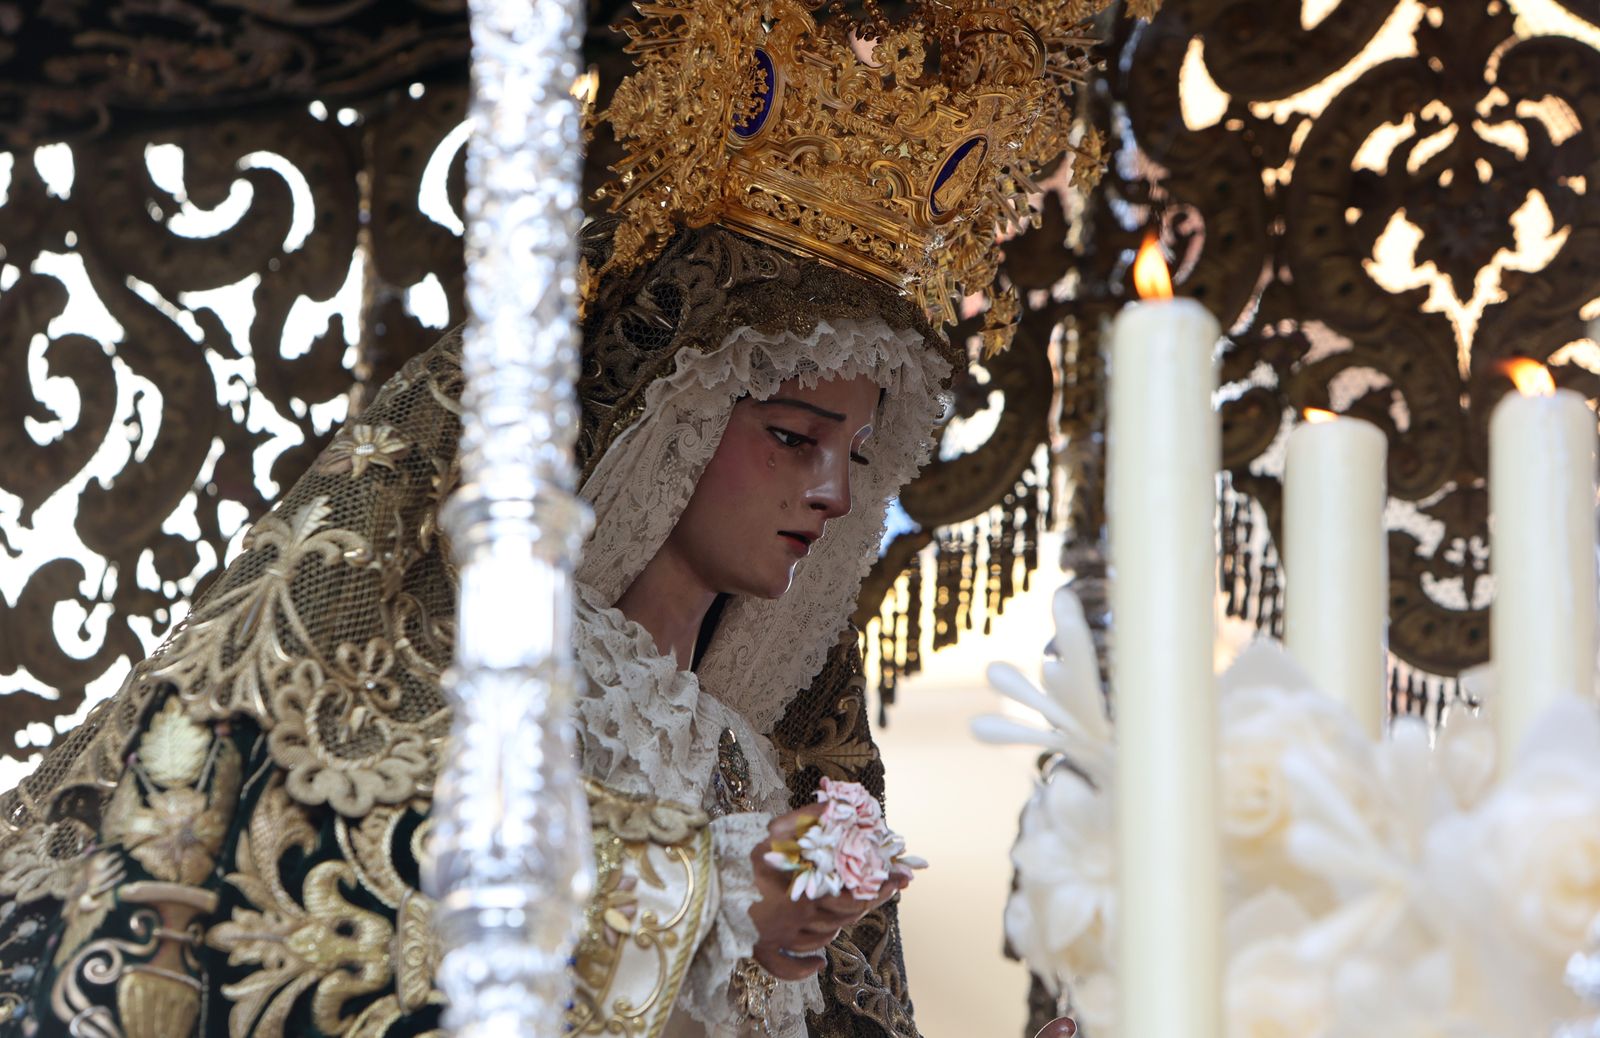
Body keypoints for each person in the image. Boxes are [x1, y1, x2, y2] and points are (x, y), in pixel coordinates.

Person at [0, 0, 1105, 1031]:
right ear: (669, 415)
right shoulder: (485, 658)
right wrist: (705, 893)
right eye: (790, 436)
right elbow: (344, 892)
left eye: (858, 456)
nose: (832, 492)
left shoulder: (748, 758)